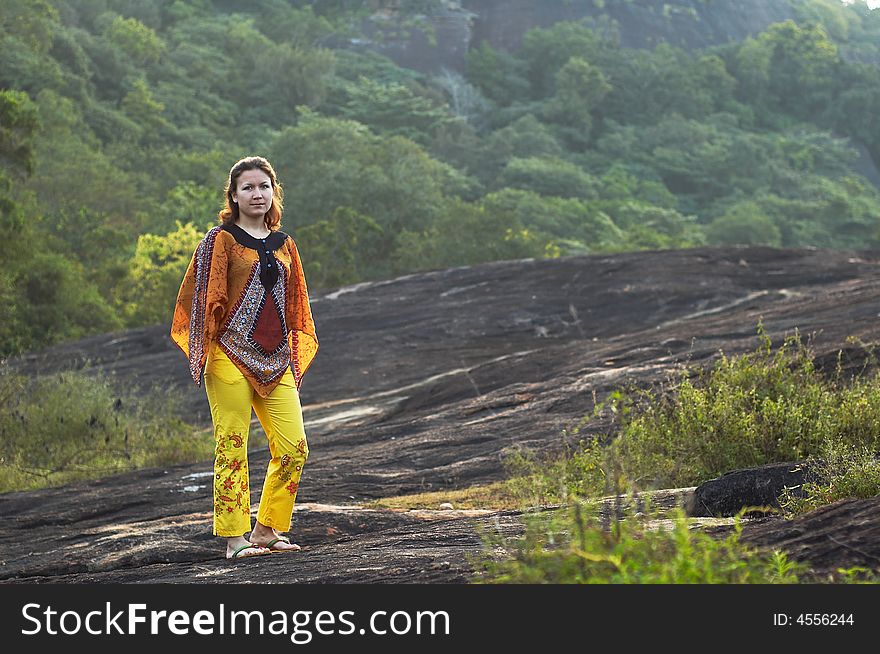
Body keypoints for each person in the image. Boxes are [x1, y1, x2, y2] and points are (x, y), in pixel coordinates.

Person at [171, 156, 319, 559]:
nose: (257, 194)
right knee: (232, 443)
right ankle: (235, 539)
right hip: (228, 356)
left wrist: (288, 349)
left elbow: (296, 303)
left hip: (275, 360)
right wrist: (202, 351)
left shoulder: (285, 244)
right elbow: (202, 298)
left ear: (274, 193)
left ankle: (267, 529)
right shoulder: (220, 241)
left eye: (264, 186)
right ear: (233, 196)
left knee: (294, 447)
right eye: (248, 188)